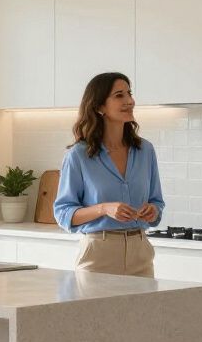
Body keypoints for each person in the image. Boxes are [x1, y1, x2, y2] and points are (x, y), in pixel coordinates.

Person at [53, 72, 164, 276]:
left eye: (129, 93)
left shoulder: (145, 151)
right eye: (119, 95)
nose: (129, 101)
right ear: (99, 106)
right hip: (98, 254)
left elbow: (157, 202)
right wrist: (104, 208)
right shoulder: (79, 155)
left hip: (140, 253)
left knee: (143, 309)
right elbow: (63, 213)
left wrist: (153, 211)